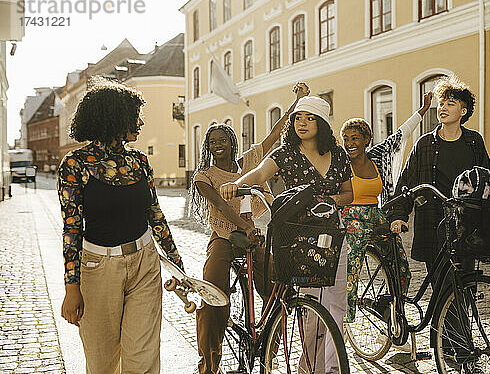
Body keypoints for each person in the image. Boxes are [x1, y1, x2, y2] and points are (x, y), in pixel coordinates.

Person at [58, 77, 184, 374]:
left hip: (145, 265)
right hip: (98, 269)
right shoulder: (75, 165)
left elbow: (155, 214)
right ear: (113, 117)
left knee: (143, 361)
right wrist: (71, 287)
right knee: (102, 365)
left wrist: (178, 268)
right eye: (134, 115)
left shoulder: (139, 161)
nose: (140, 122)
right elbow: (72, 228)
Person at [220, 96, 353, 373]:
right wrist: (236, 184)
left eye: (310, 118)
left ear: (323, 123)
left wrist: (329, 201)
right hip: (298, 235)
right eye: (298, 118)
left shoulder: (338, 155)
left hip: (332, 233)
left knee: (337, 302)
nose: (301, 123)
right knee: (311, 304)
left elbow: (348, 193)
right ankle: (310, 367)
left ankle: (331, 365)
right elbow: (257, 174)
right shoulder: (286, 154)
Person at [190, 83, 310, 374]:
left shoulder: (250, 161)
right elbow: (219, 204)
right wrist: (245, 225)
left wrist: (298, 100)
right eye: (213, 141)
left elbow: (277, 133)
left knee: (275, 287)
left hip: (256, 235)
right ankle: (209, 364)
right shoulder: (203, 176)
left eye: (223, 139)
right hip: (224, 237)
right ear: (208, 147)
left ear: (232, 142)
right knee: (213, 294)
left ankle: (269, 346)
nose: (218, 144)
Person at [387, 76, 490, 360]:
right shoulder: (424, 144)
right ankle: (454, 347)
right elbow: (407, 183)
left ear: (464, 111)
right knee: (445, 286)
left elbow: (487, 180)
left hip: (466, 225)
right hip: (434, 224)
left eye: (451, 104)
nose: (443, 108)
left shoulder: (474, 142)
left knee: (464, 286)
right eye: (441, 103)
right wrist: (399, 215)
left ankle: (453, 342)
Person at [340, 92, 432, 324]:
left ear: (367, 140)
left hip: (376, 214)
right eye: (346, 138)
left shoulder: (378, 157)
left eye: (355, 138)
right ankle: (342, 321)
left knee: (400, 267)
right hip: (351, 217)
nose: (350, 143)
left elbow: (402, 134)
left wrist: (422, 111)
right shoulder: (340, 164)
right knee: (351, 269)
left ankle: (387, 306)